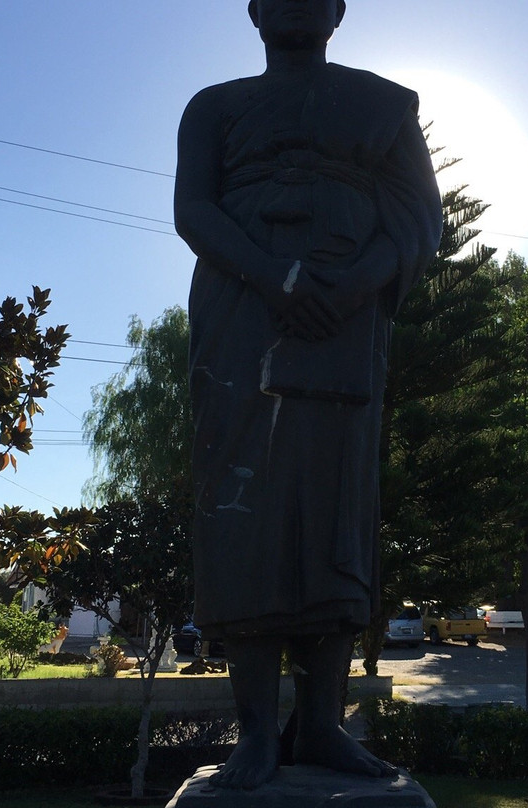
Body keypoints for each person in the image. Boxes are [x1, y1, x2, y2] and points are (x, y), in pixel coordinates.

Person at [173, 0, 441, 790]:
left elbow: (420, 219)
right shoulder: (213, 107)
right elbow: (193, 209)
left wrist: (354, 286)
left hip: (346, 323)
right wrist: (276, 278)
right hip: (242, 317)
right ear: (253, 11)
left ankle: (321, 725)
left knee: (335, 513)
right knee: (241, 513)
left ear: (338, 10)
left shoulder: (386, 105)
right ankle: (257, 732)